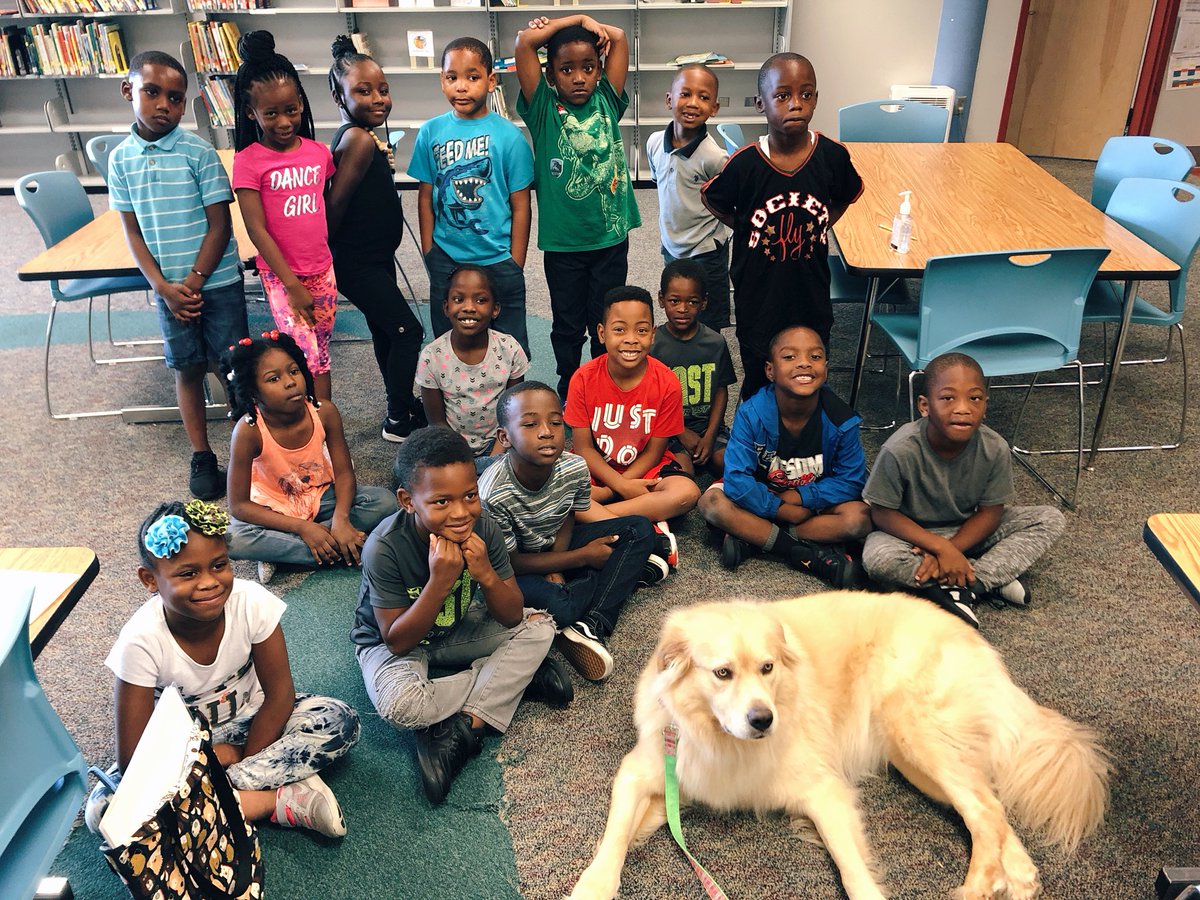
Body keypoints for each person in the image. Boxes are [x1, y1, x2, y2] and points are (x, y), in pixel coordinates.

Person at [84, 500, 361, 839]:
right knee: (103, 811)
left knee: (339, 720)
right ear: (150, 580)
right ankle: (273, 801)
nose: (209, 583)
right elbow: (133, 760)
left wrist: (239, 759)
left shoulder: (251, 602)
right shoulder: (139, 642)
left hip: (256, 722)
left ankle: (208, 806)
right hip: (182, 749)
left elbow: (279, 696)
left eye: (219, 565)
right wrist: (213, 757)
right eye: (187, 573)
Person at [352, 426, 571, 805]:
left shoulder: (483, 526)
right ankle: (512, 680)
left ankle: (470, 722)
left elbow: (511, 615)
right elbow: (397, 641)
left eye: (469, 496)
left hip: (453, 630)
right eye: (441, 502)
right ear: (408, 501)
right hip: (392, 645)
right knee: (402, 707)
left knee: (540, 629)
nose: (460, 512)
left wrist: (486, 573)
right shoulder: (383, 547)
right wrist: (439, 582)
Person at [108, 50, 247, 500]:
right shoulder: (120, 160)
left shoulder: (198, 152)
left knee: (235, 369)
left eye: (175, 97)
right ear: (129, 91)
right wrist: (162, 287)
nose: (164, 104)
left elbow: (220, 224)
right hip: (168, 290)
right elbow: (131, 231)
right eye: (152, 92)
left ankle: (251, 449)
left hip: (217, 283)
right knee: (186, 368)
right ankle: (202, 454)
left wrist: (194, 280)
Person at [861, 352, 1067, 628]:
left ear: (985, 405)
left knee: (1050, 518)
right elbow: (883, 514)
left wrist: (952, 550)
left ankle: (971, 582)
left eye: (975, 398)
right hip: (913, 539)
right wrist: (939, 548)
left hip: (968, 531)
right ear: (924, 406)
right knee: (878, 559)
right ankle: (983, 580)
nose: (963, 408)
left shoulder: (995, 447)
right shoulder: (899, 449)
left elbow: (991, 513)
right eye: (948, 398)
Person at [701, 52, 863, 399]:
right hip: (758, 290)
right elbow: (713, 199)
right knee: (760, 370)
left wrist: (822, 221)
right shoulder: (745, 163)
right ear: (761, 103)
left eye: (806, 95)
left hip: (811, 289)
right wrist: (745, 226)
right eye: (782, 95)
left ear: (816, 99)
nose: (796, 104)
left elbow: (847, 194)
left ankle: (803, 437)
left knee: (808, 370)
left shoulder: (832, 156)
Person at [480, 382, 665, 684]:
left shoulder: (574, 467)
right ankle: (620, 575)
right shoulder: (493, 493)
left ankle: (593, 622)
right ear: (505, 437)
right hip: (515, 566)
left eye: (555, 422)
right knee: (561, 607)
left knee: (639, 528)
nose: (546, 431)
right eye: (530, 424)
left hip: (556, 545)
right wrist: (578, 558)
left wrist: (559, 561)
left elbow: (567, 515)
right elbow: (510, 563)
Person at [515, 15, 641, 400]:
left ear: (599, 69)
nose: (579, 78)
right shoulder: (542, 111)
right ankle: (570, 383)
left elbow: (619, 36)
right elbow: (523, 43)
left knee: (605, 320)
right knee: (568, 324)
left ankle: (604, 383)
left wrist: (592, 24)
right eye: (566, 69)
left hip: (609, 240)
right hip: (564, 246)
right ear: (550, 76)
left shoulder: (607, 100)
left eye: (588, 68)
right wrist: (572, 21)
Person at [698, 325, 869, 588]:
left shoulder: (842, 420)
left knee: (861, 519)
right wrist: (780, 509)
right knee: (711, 503)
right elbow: (737, 479)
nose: (803, 364)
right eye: (789, 357)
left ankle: (754, 537)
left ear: (826, 368)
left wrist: (801, 497)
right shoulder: (751, 413)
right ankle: (805, 553)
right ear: (770, 370)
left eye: (815, 357)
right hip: (762, 497)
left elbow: (851, 480)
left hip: (812, 501)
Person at [222, 331, 397, 584]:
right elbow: (238, 506)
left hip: (320, 496)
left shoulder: (324, 411)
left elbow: (345, 473)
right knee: (234, 540)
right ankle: (345, 545)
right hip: (273, 507)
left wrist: (341, 519)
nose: (290, 382)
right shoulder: (247, 431)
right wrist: (304, 528)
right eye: (274, 379)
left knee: (385, 501)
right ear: (253, 393)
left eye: (294, 371)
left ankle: (292, 550)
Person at [326, 34, 427, 443]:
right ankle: (398, 417)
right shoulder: (359, 140)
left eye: (383, 90)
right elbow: (335, 206)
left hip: (374, 256)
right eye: (363, 91)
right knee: (407, 331)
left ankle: (400, 403)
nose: (378, 99)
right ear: (339, 96)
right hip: (357, 261)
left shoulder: (359, 135)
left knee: (387, 330)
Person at [409, 36, 535, 360]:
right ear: (442, 81)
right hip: (446, 257)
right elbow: (425, 196)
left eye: (472, 77)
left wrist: (515, 261)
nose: (461, 87)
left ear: (491, 81)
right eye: (452, 77)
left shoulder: (510, 138)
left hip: (497, 258)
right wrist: (429, 251)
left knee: (509, 346)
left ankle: (512, 406)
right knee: (448, 343)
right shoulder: (430, 132)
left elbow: (521, 205)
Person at [232, 31, 337, 401]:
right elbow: (256, 229)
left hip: (322, 269)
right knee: (303, 353)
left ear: (302, 103)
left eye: (291, 110)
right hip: (281, 276)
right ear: (251, 112)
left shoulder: (318, 153)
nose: (283, 121)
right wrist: (291, 284)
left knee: (321, 352)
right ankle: (305, 419)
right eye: (271, 113)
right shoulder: (248, 161)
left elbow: (321, 205)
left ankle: (322, 422)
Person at [564, 286, 701, 549]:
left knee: (687, 493)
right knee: (559, 494)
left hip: (645, 468)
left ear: (653, 334)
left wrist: (616, 489)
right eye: (619, 329)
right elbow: (583, 448)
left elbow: (654, 451)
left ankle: (598, 521)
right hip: (595, 470)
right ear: (602, 334)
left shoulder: (667, 382)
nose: (631, 339)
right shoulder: (583, 378)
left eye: (641, 330)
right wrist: (619, 486)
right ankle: (644, 529)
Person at [415, 266, 530, 470]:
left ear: (495, 309)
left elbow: (513, 415)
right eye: (459, 299)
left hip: (501, 443)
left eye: (480, 300)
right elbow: (437, 424)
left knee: (536, 456)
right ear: (446, 307)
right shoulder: (431, 357)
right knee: (409, 467)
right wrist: (461, 462)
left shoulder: (510, 350)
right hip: (450, 446)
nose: (469, 307)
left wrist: (495, 458)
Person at [645, 64, 731, 332]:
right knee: (679, 309)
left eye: (703, 98)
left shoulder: (714, 157)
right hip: (671, 245)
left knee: (707, 316)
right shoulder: (654, 142)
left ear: (714, 108)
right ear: (669, 99)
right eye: (685, 94)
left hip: (706, 250)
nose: (693, 103)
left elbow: (729, 202)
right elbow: (662, 184)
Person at [649, 259, 736, 478]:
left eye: (693, 302)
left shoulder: (715, 342)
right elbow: (648, 399)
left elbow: (720, 390)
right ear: (661, 299)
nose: (682, 309)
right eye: (674, 300)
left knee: (729, 465)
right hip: (666, 431)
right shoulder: (652, 345)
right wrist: (682, 432)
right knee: (681, 472)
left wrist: (709, 436)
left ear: (704, 303)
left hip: (709, 428)